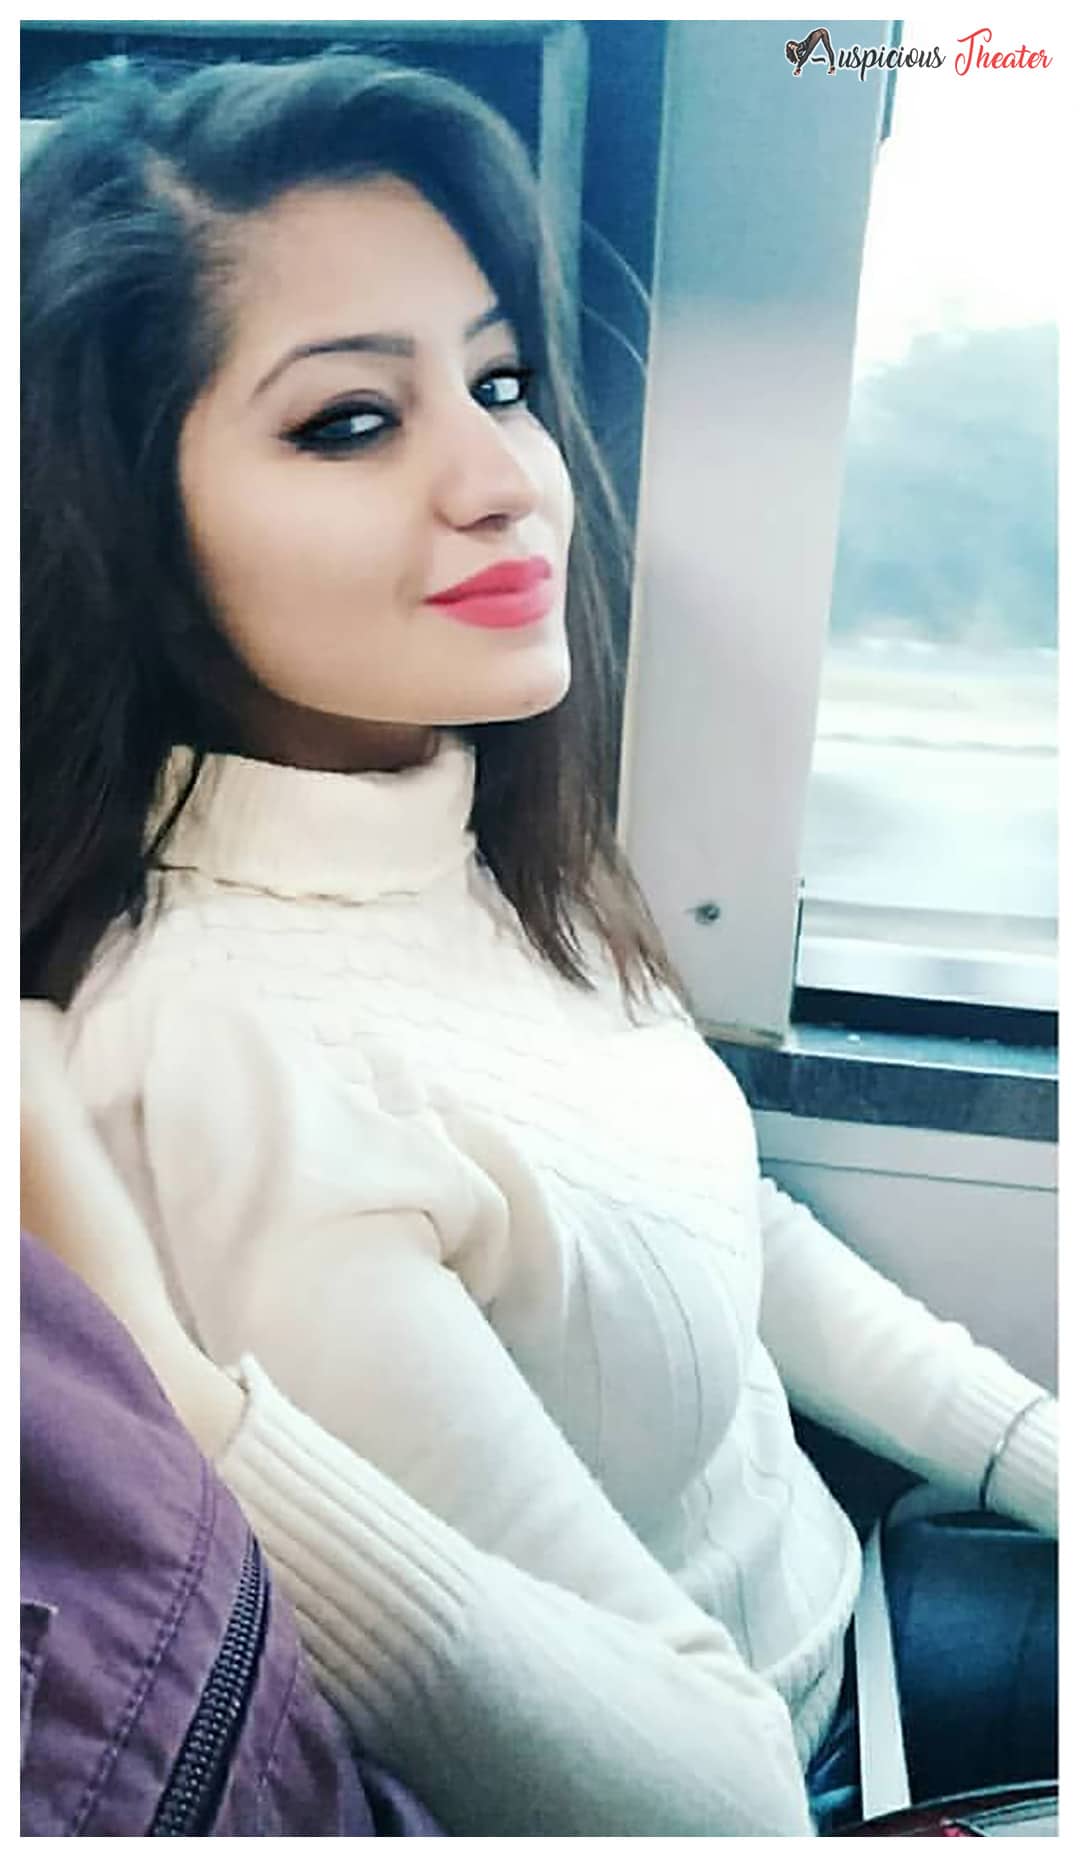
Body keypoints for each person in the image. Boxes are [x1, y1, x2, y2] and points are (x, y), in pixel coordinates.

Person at [21, 50, 1057, 1837]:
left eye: (498, 381)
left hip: (869, 1609)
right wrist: (189, 1410)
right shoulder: (216, 1059)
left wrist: (1041, 1457)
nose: (506, 476)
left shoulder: (475, 836)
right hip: (803, 1770)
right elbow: (721, 1804)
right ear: (124, 530)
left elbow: (725, 1230)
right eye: (351, 421)